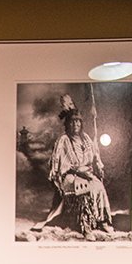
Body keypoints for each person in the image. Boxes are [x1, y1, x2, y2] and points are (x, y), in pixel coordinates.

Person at [34, 94, 113, 238]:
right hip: (69, 176)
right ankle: (85, 227)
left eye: (78, 122)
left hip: (86, 173)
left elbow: (94, 156)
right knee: (83, 189)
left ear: (81, 124)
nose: (75, 125)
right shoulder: (63, 140)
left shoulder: (87, 138)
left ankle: (102, 221)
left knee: (99, 186)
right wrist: (77, 170)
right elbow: (60, 165)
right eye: (72, 122)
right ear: (67, 124)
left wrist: (98, 165)